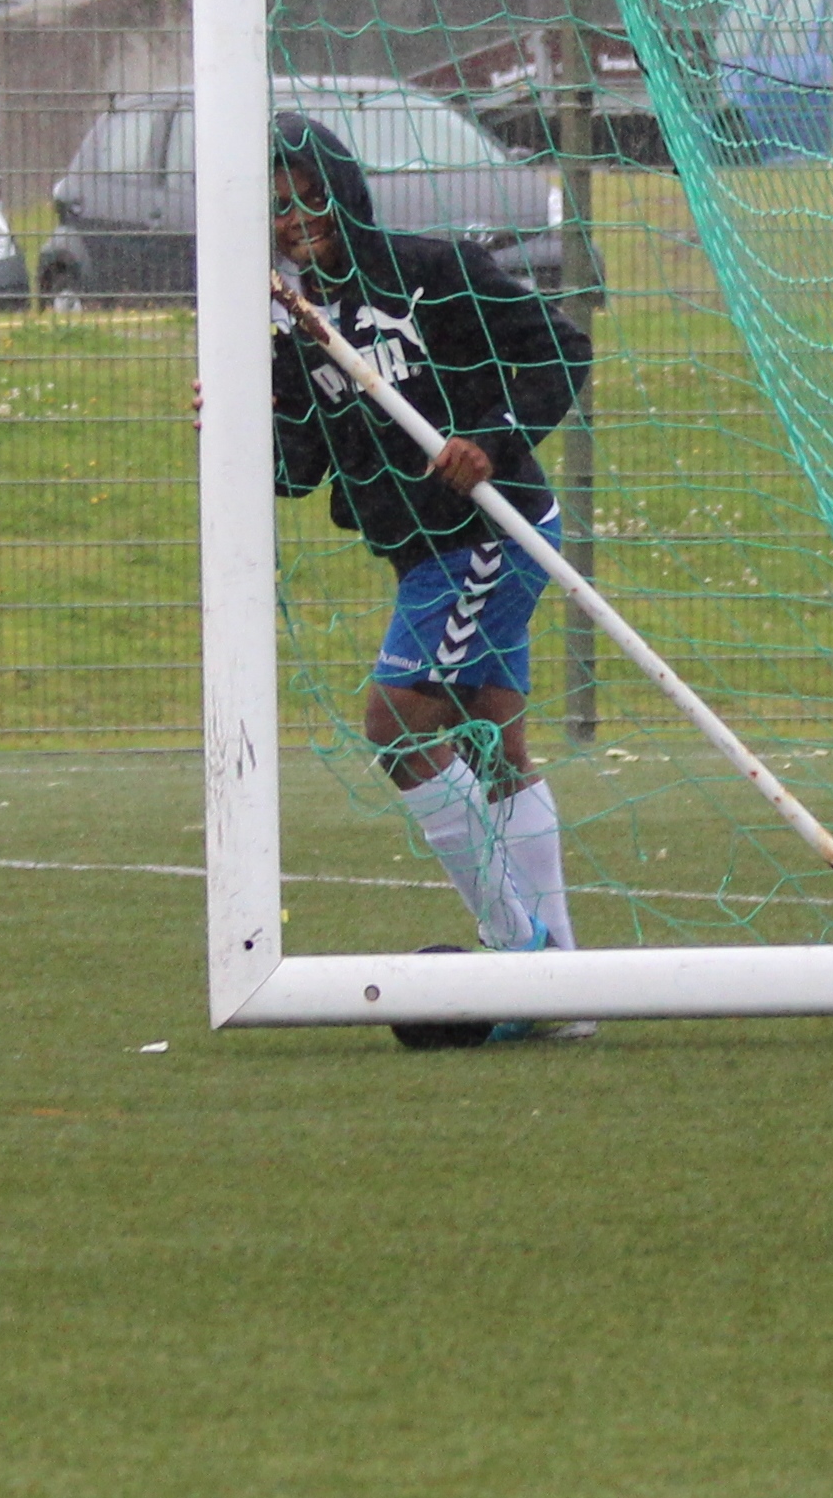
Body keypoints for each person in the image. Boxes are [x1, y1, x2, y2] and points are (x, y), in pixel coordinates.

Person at [269, 111, 597, 1039]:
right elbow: (298, 470)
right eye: (279, 207)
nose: (298, 218)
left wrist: (488, 440)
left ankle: (523, 958)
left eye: (311, 196)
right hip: (420, 553)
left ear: (346, 191)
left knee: (397, 720)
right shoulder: (292, 326)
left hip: (489, 531)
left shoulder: (432, 271)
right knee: (493, 746)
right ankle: (568, 995)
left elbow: (561, 348)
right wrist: (240, 420)